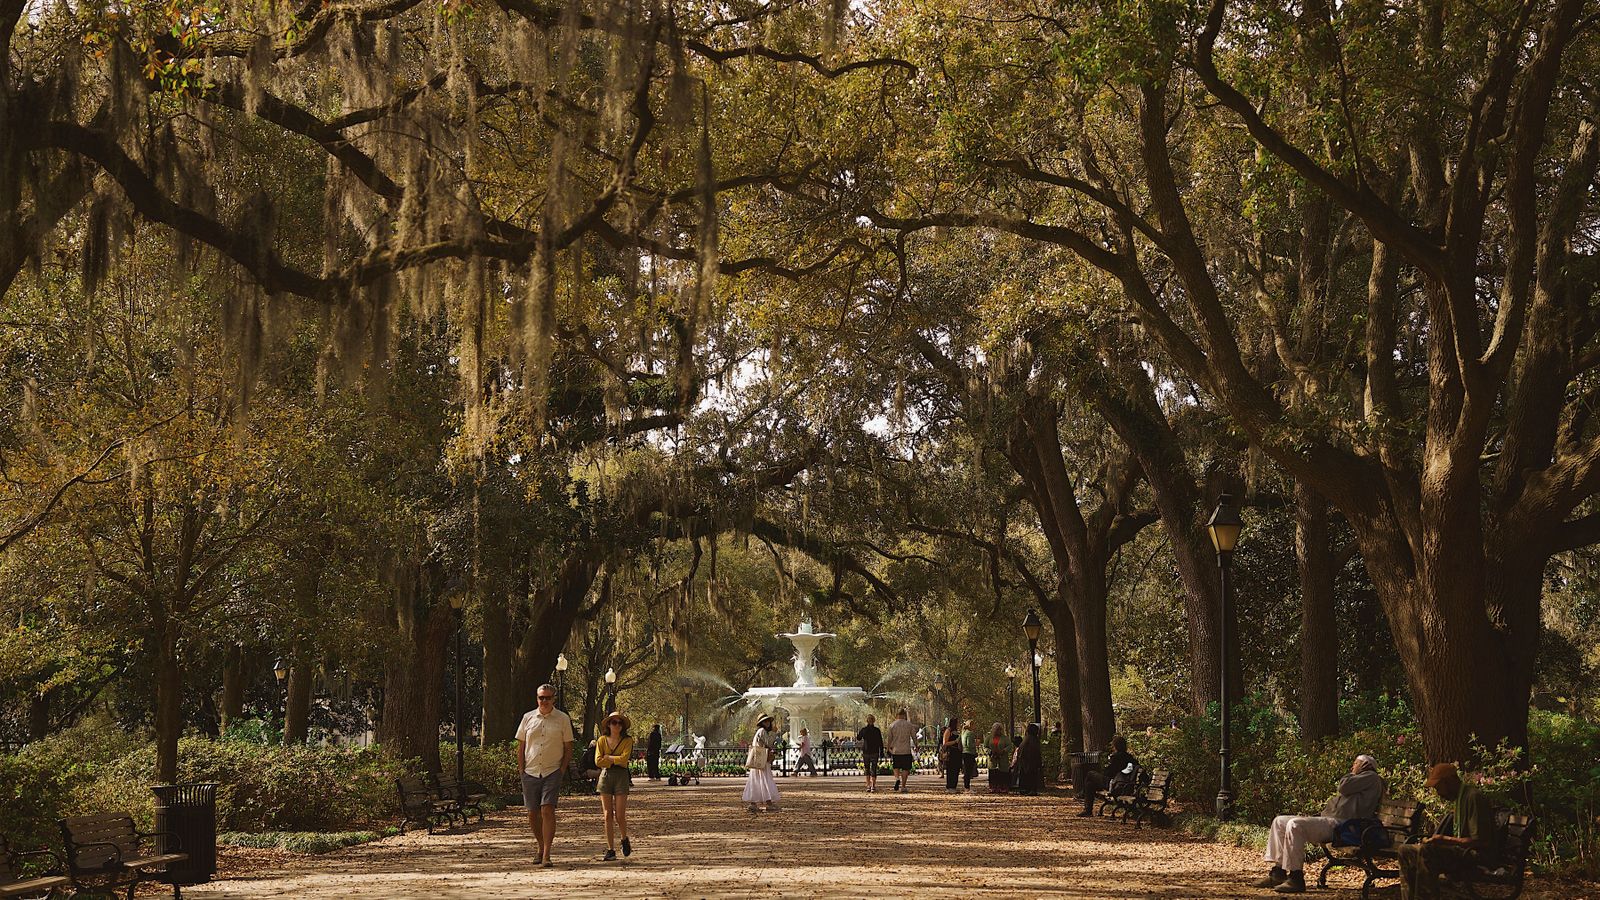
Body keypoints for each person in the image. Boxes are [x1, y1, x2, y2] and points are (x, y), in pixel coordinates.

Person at [1256, 754, 1385, 894]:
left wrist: (1353, 773)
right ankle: (1278, 872)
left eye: (1355, 763)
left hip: (1344, 825)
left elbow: (1344, 786)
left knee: (1295, 825)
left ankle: (1296, 878)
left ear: (1365, 765)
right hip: (1333, 821)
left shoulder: (1371, 777)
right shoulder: (1363, 779)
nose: (1352, 767)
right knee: (1279, 821)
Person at [1397, 763, 1499, 899]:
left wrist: (1445, 840)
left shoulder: (1473, 797)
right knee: (1404, 850)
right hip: (1462, 852)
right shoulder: (1459, 799)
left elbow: (1482, 841)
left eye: (1439, 787)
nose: (1438, 792)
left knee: (1426, 851)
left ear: (1450, 781)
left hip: (1476, 856)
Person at [515, 683, 573, 868]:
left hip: (552, 770)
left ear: (553, 699)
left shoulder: (562, 719)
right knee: (533, 813)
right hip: (530, 771)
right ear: (537, 698)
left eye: (548, 697)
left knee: (547, 809)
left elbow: (568, 747)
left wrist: (562, 769)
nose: (544, 701)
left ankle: (547, 854)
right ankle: (540, 847)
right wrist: (521, 770)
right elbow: (522, 746)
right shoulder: (528, 718)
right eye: (541, 697)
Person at [595, 711, 635, 861]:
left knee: (619, 815)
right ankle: (610, 848)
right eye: (614, 722)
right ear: (609, 725)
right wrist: (614, 760)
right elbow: (598, 761)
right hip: (606, 776)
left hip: (621, 776)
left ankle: (624, 838)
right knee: (607, 815)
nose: (616, 725)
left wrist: (609, 758)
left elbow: (625, 759)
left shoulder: (627, 740)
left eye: (619, 723)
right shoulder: (602, 740)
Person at [1077, 735, 1139, 817]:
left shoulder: (1116, 757)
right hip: (1123, 786)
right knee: (1090, 784)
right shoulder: (1130, 758)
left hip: (1113, 785)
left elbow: (1107, 773)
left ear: (1115, 746)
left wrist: (1108, 763)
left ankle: (1082, 795)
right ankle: (1087, 808)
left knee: (1090, 774)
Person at [743, 713, 781, 812]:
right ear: (762, 723)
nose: (767, 723)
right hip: (762, 760)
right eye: (765, 721)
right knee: (765, 780)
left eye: (768, 721)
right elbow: (769, 743)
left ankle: (754, 804)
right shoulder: (762, 731)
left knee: (757, 780)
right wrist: (774, 733)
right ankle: (768, 804)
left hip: (758, 760)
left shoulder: (759, 731)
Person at [887, 708, 917, 792]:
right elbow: (914, 736)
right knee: (905, 768)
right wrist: (916, 745)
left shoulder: (892, 725)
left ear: (897, 715)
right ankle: (903, 786)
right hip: (906, 750)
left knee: (896, 766)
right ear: (904, 715)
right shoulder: (909, 725)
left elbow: (889, 738)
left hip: (896, 750)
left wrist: (888, 747)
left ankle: (897, 778)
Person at [1013, 722, 1043, 795]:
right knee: (1031, 775)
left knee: (1026, 775)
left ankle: (1026, 789)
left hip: (1025, 761)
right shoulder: (1033, 739)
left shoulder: (1027, 739)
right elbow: (1036, 751)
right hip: (1030, 761)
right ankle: (1030, 789)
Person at [857, 715, 884, 793]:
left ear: (867, 721)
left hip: (866, 751)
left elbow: (858, 738)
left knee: (867, 768)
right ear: (874, 721)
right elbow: (880, 742)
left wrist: (860, 732)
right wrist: (881, 751)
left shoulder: (864, 730)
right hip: (875, 751)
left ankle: (868, 785)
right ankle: (873, 786)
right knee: (874, 768)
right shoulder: (877, 730)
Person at [987, 723, 1012, 793]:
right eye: (996, 729)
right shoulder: (989, 737)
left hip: (1002, 758)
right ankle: (993, 787)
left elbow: (1010, 746)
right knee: (993, 773)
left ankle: (1003, 787)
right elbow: (985, 746)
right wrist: (989, 751)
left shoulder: (1005, 738)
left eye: (999, 729)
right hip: (992, 758)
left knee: (1003, 773)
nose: (997, 731)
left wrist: (1004, 750)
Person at [941, 717, 961, 791]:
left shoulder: (957, 731)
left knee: (956, 769)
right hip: (951, 752)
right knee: (951, 770)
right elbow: (945, 743)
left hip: (957, 752)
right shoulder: (948, 730)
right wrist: (955, 741)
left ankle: (954, 786)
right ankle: (949, 786)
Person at [959, 719, 979, 790]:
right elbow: (969, 744)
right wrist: (976, 744)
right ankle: (967, 787)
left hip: (964, 752)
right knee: (968, 771)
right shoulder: (970, 733)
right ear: (971, 725)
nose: (975, 726)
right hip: (969, 753)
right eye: (974, 725)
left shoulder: (963, 733)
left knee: (966, 770)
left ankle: (966, 786)